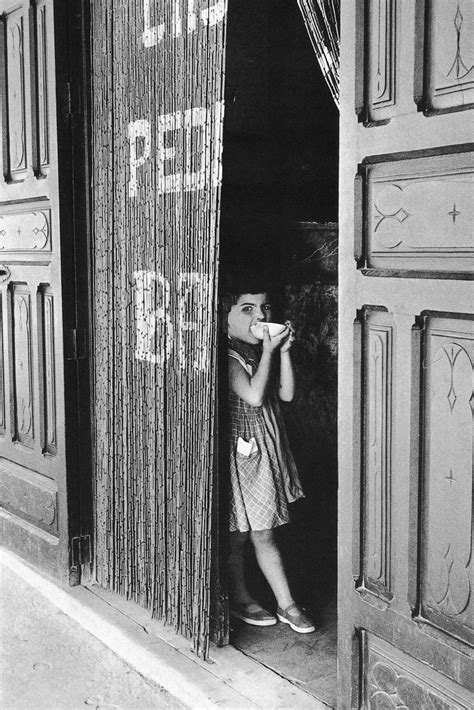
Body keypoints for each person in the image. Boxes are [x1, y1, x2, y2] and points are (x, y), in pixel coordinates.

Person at [225, 281, 315, 634]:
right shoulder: (231, 357)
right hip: (245, 458)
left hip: (265, 453)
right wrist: (267, 352)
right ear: (224, 318)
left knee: (258, 534)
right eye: (247, 309)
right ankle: (255, 599)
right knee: (243, 535)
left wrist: (284, 352)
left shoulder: (255, 353)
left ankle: (279, 603)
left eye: (264, 309)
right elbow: (254, 396)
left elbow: (287, 395)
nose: (260, 316)